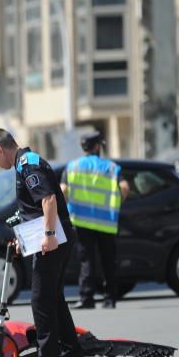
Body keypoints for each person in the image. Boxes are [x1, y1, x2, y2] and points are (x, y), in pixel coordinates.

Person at [0, 128, 88, 357]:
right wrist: (25, 239)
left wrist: (49, 235)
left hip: (54, 240)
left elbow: (49, 200)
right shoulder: (23, 165)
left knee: (41, 300)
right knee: (53, 299)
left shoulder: (28, 165)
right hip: (52, 238)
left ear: (0, 150)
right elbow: (33, 209)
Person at [60, 131, 130, 309]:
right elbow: (125, 188)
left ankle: (87, 298)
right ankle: (110, 298)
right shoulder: (111, 167)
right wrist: (117, 204)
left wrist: (70, 206)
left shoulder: (72, 166)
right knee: (108, 260)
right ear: (97, 147)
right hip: (107, 221)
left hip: (82, 221)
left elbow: (62, 191)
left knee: (87, 260)